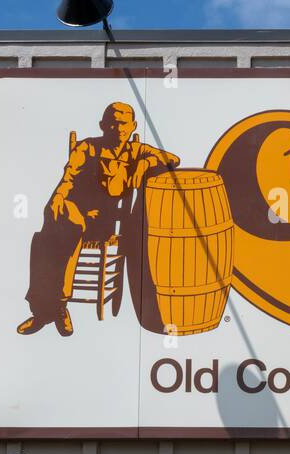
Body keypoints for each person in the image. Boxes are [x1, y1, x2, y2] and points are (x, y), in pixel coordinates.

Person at [17, 102, 179, 336]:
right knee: (45, 237)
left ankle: (50, 310)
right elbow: (68, 178)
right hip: (74, 212)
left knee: (61, 233)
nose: (118, 128)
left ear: (133, 126)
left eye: (124, 123)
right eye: (113, 122)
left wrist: (144, 163)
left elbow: (173, 159)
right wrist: (57, 199)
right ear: (103, 125)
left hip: (104, 221)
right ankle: (49, 309)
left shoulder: (136, 151)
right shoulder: (87, 147)